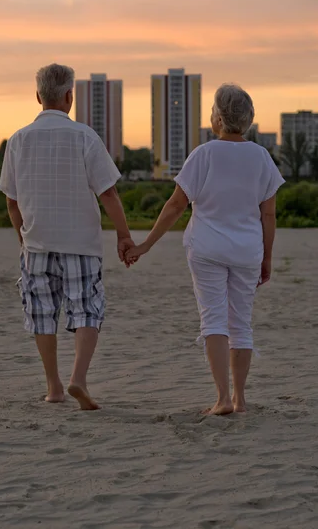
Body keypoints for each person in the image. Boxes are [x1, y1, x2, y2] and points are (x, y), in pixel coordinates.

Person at [126, 84, 285, 415]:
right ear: (249, 118)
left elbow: (175, 205)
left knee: (213, 318)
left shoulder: (203, 154)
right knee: (241, 322)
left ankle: (222, 399)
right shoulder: (261, 157)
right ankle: (240, 399)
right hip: (247, 251)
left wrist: (146, 244)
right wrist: (267, 257)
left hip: (207, 248)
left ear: (217, 117)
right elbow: (268, 214)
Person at [0, 63, 135, 410]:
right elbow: (108, 193)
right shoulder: (85, 137)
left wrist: (22, 237)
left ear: (38, 97)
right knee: (87, 309)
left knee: (42, 312)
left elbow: (11, 202)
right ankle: (79, 378)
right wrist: (123, 235)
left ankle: (54, 387)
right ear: (69, 96)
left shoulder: (17, 140)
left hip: (36, 242)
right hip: (81, 243)